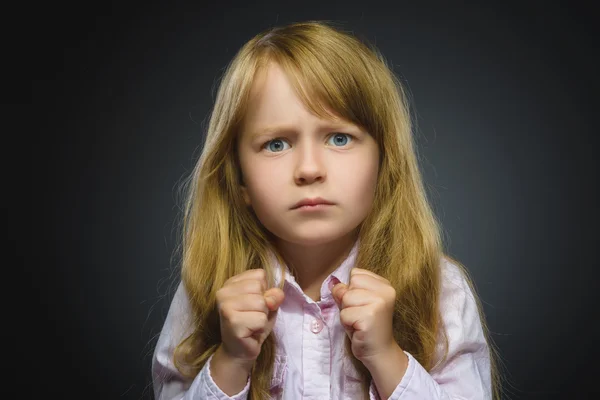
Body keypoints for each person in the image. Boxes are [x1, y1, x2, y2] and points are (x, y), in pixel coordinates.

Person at [151, 20, 501, 400]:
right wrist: (230, 362)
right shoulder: (206, 288)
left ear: (384, 163)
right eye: (276, 144)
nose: (309, 169)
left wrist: (386, 357)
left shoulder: (440, 289)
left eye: (339, 138)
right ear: (239, 180)